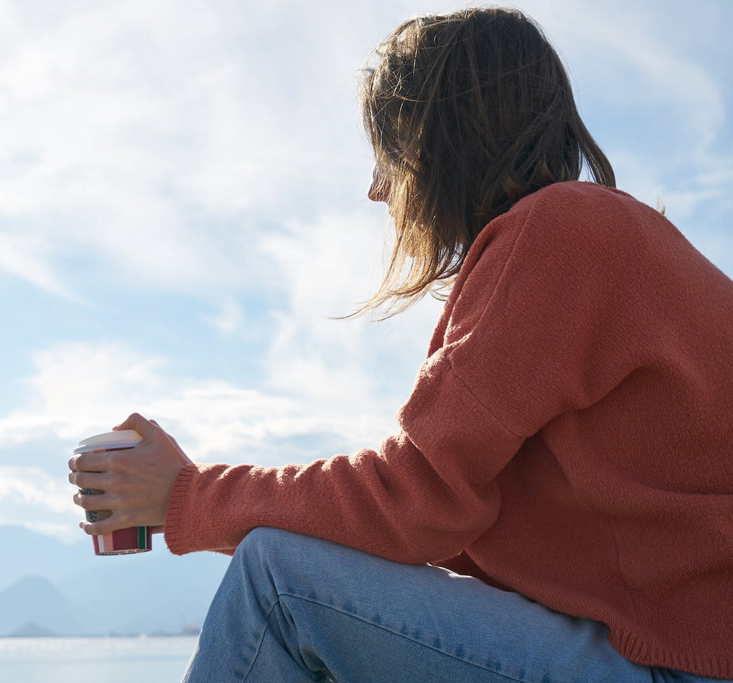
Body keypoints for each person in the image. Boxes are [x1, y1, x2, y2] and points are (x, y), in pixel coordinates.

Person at [67, 7, 732, 682]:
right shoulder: (614, 241)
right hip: (680, 649)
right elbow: (445, 518)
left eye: (391, 150)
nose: (378, 187)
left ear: (442, 138)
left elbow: (419, 499)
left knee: (275, 581)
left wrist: (187, 496)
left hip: (678, 665)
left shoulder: (557, 232)